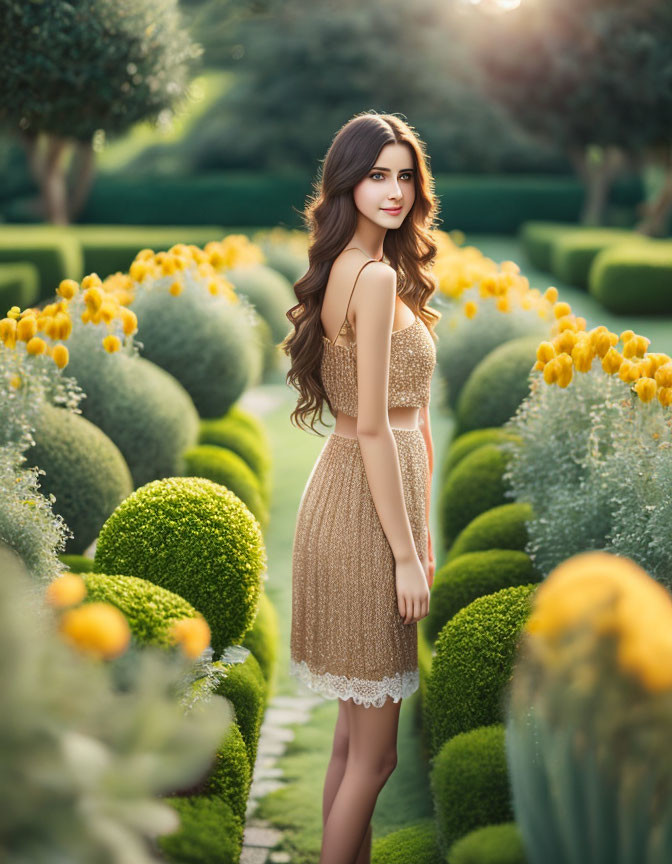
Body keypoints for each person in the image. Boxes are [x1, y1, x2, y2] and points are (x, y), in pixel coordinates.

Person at [281, 110, 440, 864]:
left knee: (355, 746)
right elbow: (376, 426)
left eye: (405, 174)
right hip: (365, 517)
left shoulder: (362, 267)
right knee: (375, 761)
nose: (395, 189)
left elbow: (415, 422)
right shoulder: (372, 278)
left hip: (359, 503)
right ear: (347, 181)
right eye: (377, 174)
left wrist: (423, 533)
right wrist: (407, 554)